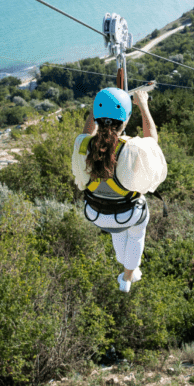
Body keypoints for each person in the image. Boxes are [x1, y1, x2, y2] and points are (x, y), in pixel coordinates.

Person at [71, 87, 167, 292]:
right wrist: (143, 106)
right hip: (126, 214)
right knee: (136, 234)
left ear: (96, 118)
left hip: (97, 213)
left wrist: (96, 107)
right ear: (125, 120)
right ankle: (127, 277)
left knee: (119, 230)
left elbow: (87, 134)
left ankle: (128, 267)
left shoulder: (82, 144)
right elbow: (153, 143)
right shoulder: (133, 148)